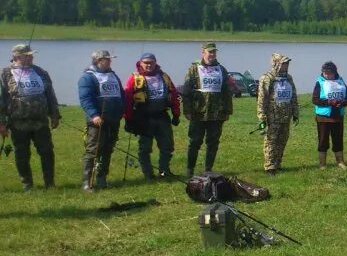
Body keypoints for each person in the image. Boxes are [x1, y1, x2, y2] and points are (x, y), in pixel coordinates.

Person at [0, 44, 60, 190]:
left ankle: (49, 183)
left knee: (46, 151)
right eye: (27, 55)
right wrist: (1, 122)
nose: (31, 57)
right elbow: (1, 98)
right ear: (16, 57)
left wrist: (55, 114)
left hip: (40, 122)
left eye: (31, 55)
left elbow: (50, 94)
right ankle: (27, 184)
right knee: (22, 153)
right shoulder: (5, 73)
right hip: (18, 122)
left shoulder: (40, 72)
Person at [123, 52, 180, 180]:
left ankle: (164, 171)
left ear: (155, 63)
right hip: (144, 118)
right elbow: (127, 100)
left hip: (162, 116)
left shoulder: (164, 76)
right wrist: (128, 119)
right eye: (146, 62)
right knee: (145, 148)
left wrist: (176, 114)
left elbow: (174, 95)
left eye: (151, 62)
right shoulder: (134, 78)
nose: (149, 65)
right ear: (141, 63)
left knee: (167, 146)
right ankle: (148, 174)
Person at [181, 42, 233, 177]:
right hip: (198, 112)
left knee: (213, 142)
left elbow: (227, 92)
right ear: (203, 52)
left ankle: (208, 169)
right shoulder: (193, 69)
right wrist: (187, 111)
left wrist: (227, 111)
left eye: (214, 52)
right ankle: (189, 169)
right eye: (209, 52)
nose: (212, 54)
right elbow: (186, 92)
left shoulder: (221, 69)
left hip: (217, 114)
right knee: (195, 142)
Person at [78, 49, 125, 191]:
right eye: (107, 59)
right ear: (98, 61)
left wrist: (121, 111)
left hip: (113, 120)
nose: (110, 61)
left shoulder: (113, 75)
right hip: (97, 121)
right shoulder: (87, 77)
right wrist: (94, 115)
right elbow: (85, 99)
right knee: (93, 150)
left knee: (108, 149)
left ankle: (102, 178)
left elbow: (121, 94)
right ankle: (87, 182)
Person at [257, 53, 298, 175]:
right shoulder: (267, 78)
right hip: (272, 116)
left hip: (286, 116)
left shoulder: (288, 78)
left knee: (282, 140)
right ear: (276, 64)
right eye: (284, 63)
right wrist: (262, 117)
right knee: (271, 141)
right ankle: (270, 166)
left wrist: (295, 112)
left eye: (287, 63)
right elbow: (262, 99)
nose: (286, 66)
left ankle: (278, 163)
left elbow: (293, 96)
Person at [313, 61, 347, 169]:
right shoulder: (319, 82)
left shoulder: (341, 81)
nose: (326, 75)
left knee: (338, 139)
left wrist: (343, 103)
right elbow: (315, 100)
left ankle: (340, 162)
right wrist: (328, 102)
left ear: (335, 73)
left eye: (329, 73)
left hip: (338, 116)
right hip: (323, 117)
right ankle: (322, 163)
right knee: (323, 140)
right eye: (325, 73)